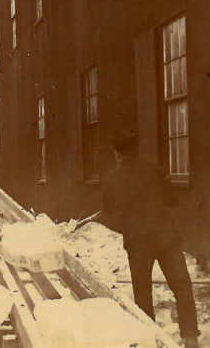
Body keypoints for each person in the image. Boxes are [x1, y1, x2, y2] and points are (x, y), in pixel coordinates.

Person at [79, 132, 199, 348]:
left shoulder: (112, 179)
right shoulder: (155, 170)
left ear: (118, 154)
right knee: (182, 286)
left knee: (143, 293)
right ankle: (191, 339)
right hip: (166, 237)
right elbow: (173, 200)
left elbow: (109, 211)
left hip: (138, 242)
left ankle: (150, 341)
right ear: (135, 151)